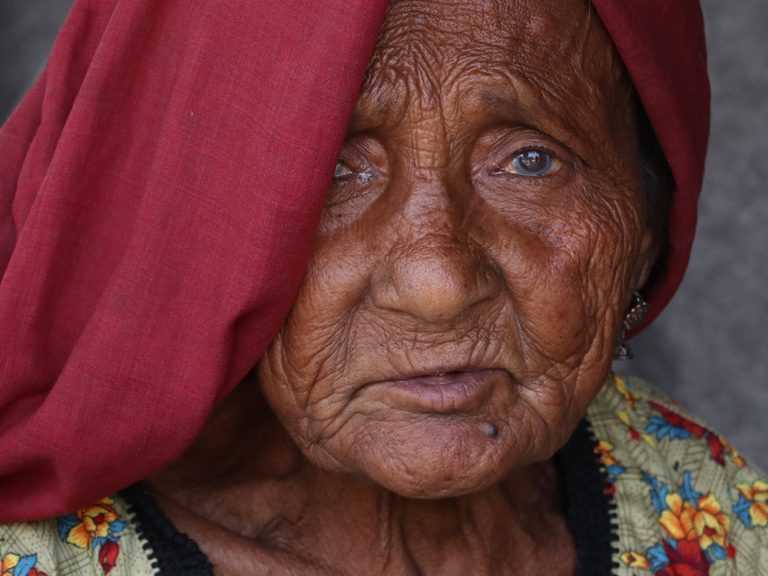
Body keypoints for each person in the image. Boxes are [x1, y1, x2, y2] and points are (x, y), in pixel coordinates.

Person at [0, 0, 766, 574]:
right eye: (334, 171)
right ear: (187, 229)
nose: (438, 286)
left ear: (647, 225)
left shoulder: (709, 510)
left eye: (530, 162)